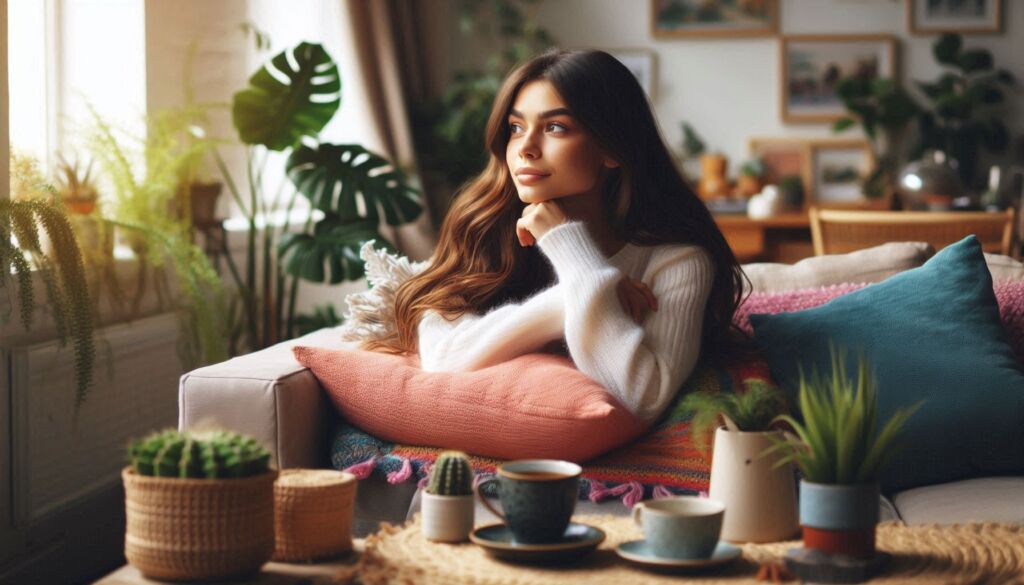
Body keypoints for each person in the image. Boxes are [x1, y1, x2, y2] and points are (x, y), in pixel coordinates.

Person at [366, 49, 745, 425]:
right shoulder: (487, 225)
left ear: (612, 148)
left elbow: (643, 396)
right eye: (516, 128)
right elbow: (444, 357)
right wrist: (578, 298)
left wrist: (569, 249)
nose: (526, 149)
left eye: (555, 128)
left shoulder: (678, 260)